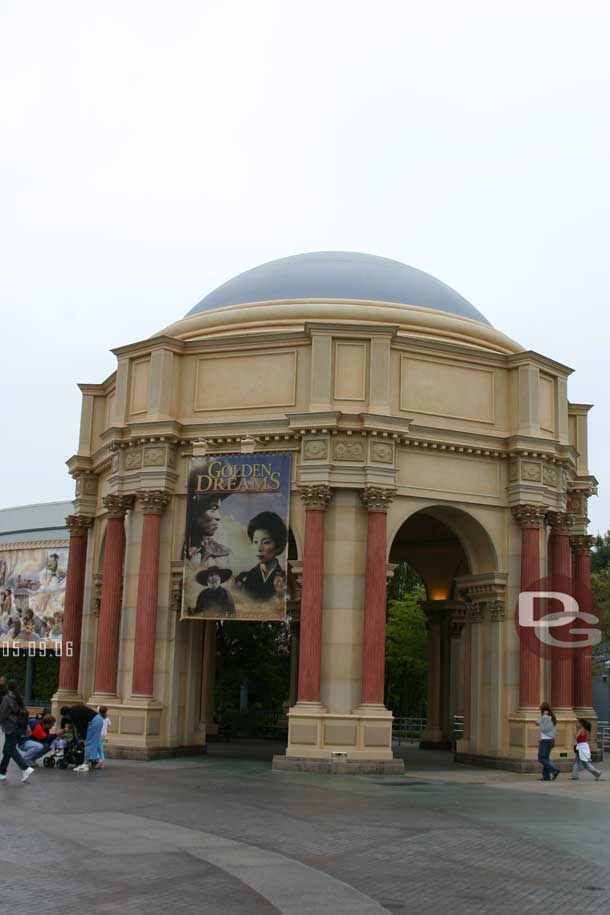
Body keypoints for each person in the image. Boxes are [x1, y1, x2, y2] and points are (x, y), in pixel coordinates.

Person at [239, 512, 287, 602]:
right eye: (256, 542)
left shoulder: (285, 578)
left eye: (266, 542)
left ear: (278, 546)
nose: (259, 548)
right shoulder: (247, 578)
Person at [182, 492, 232, 566]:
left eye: (218, 510)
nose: (218, 517)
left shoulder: (223, 554)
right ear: (194, 512)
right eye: (213, 509)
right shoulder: (179, 548)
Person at [0, 680, 34, 782]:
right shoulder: (19, 698)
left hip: (10, 727)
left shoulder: (7, 698)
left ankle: (25, 768)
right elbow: (25, 712)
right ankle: (1, 772)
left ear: (8, 687)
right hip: (19, 727)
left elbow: (3, 714)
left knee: (11, 750)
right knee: (7, 750)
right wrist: (27, 726)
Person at [537, 702, 560, 781]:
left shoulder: (545, 717)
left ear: (543, 710)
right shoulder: (551, 717)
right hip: (550, 740)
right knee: (545, 759)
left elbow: (538, 724)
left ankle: (554, 770)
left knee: (541, 758)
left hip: (546, 741)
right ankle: (546, 777)